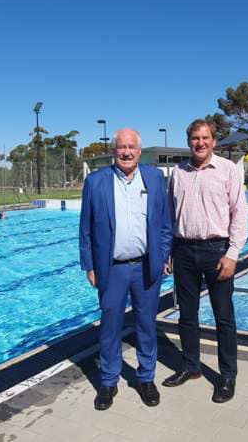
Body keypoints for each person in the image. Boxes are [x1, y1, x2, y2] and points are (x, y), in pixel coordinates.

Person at [79, 128, 172, 411]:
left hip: (146, 265)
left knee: (146, 324)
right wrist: (89, 265)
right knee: (110, 326)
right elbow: (85, 228)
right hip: (112, 268)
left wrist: (164, 254)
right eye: (121, 147)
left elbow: (165, 222)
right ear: (114, 150)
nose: (126, 152)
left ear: (139, 150)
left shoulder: (154, 177)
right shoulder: (96, 182)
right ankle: (108, 381)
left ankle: (146, 378)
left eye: (131, 147)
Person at [163, 118, 247, 404]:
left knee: (223, 317)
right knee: (187, 314)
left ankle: (227, 375)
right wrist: (168, 251)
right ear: (189, 141)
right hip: (184, 250)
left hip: (216, 251)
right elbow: (170, 215)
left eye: (205, 138)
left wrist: (232, 254)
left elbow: (239, 214)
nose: (200, 143)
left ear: (214, 140)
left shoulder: (228, 170)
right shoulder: (177, 172)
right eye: (195, 138)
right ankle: (191, 366)